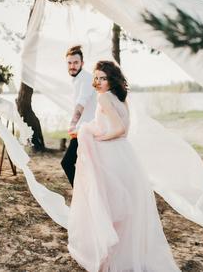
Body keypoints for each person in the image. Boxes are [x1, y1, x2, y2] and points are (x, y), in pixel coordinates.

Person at [67, 61, 180, 272]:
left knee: (111, 206)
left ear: (111, 79)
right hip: (125, 154)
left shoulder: (103, 98)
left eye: (103, 78)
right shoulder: (121, 97)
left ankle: (115, 257)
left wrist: (99, 138)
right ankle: (126, 254)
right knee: (125, 208)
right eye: (97, 77)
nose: (98, 82)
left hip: (111, 154)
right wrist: (91, 130)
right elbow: (124, 129)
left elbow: (119, 129)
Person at [61, 45, 97, 187]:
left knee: (67, 163)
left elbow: (81, 103)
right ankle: (85, 195)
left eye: (76, 63)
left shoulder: (86, 78)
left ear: (82, 63)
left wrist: (73, 124)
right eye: (69, 63)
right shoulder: (78, 79)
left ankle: (83, 195)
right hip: (82, 129)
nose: (72, 66)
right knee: (84, 165)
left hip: (87, 129)